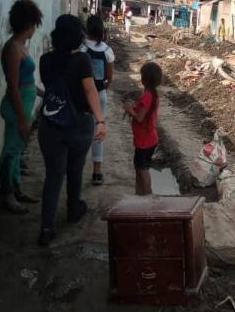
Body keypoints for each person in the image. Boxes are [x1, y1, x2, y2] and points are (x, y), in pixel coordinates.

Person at [37, 15, 107, 246]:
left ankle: (46, 228)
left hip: (51, 124)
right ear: (77, 36)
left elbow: (52, 88)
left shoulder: (45, 60)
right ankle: (73, 209)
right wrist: (100, 120)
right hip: (79, 124)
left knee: (53, 175)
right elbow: (90, 91)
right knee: (75, 169)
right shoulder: (81, 60)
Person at [0, 0, 44, 214]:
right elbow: (13, 87)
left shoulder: (19, 47)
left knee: (16, 152)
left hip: (23, 106)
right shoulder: (13, 49)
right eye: (34, 24)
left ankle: (16, 189)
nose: (35, 29)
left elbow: (27, 82)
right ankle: (7, 195)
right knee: (11, 152)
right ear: (29, 24)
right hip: (17, 109)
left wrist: (42, 93)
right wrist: (23, 120)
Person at [80, 14, 115, 185]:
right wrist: (102, 90)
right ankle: (96, 171)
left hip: (81, 95)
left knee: (79, 130)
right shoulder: (107, 50)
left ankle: (76, 167)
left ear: (87, 29)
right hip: (100, 94)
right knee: (98, 132)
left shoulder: (81, 48)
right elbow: (109, 77)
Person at [123, 61, 163, 195]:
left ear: (144, 79)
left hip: (144, 140)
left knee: (142, 169)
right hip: (149, 138)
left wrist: (129, 110)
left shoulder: (147, 96)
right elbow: (144, 114)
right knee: (140, 167)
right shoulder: (153, 95)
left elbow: (139, 118)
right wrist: (134, 108)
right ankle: (139, 194)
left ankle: (147, 195)